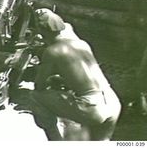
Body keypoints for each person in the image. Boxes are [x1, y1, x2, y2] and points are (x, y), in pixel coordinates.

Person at [29, 8, 121, 141]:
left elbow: (39, 86)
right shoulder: (82, 44)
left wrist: (48, 77)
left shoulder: (52, 51)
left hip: (93, 108)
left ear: (42, 32)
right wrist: (62, 80)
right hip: (113, 102)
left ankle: (56, 141)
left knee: (35, 97)